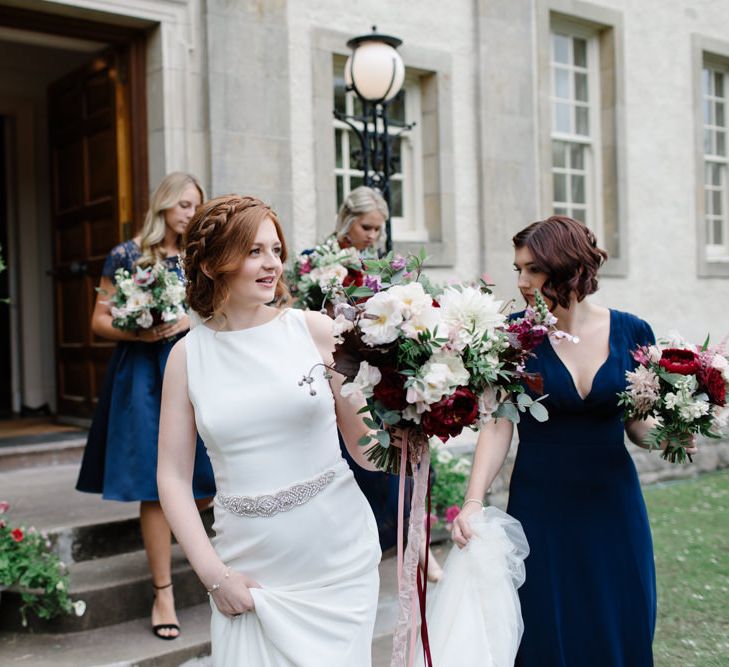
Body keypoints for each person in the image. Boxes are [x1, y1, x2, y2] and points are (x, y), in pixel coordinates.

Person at [452, 216, 697, 666]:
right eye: (518, 269)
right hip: (542, 504)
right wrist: (472, 500)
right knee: (548, 626)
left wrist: (670, 437)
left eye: (532, 269)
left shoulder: (633, 332)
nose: (522, 281)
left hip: (613, 504)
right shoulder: (512, 336)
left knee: (622, 617)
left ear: (566, 267)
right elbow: (498, 423)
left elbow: (636, 426)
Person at [157, 195, 382, 666]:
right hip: (248, 570)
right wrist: (213, 575)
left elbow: (365, 448)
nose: (272, 264)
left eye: (276, 250)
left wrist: (416, 422)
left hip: (337, 561)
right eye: (254, 251)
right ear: (217, 261)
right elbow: (173, 478)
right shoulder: (186, 357)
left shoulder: (316, 331)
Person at [76, 172, 216, 640]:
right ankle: (163, 592)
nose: (190, 213)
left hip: (195, 368)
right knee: (154, 487)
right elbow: (99, 320)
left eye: (196, 205)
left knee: (206, 481)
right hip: (142, 375)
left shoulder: (202, 256)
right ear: (162, 206)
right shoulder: (126, 255)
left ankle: (201, 551)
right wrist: (139, 330)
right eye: (182, 205)